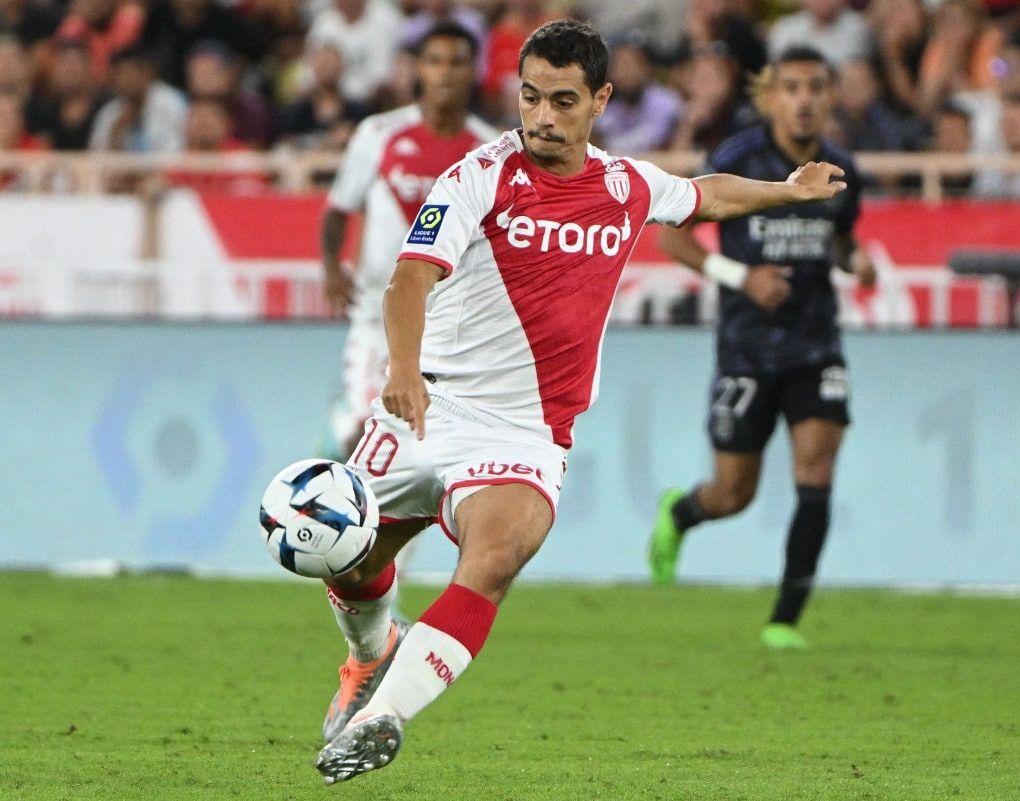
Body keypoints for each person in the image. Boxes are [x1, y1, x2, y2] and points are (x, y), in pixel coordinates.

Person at [305, 19, 849, 784]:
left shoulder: (624, 186)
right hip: (428, 403)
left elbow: (702, 197)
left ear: (601, 100)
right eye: (531, 98)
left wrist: (785, 191)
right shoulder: (477, 176)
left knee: (492, 559)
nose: (543, 118)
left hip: (526, 433)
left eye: (563, 101)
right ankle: (369, 657)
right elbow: (409, 279)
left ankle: (383, 716)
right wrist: (400, 368)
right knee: (348, 558)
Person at [645, 45, 873, 652]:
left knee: (816, 472)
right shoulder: (737, 160)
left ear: (829, 97)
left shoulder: (843, 168)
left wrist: (860, 261)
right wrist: (741, 277)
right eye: (792, 87)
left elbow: (842, 243)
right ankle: (682, 513)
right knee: (733, 494)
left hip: (815, 343)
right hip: (746, 348)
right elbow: (672, 241)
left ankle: (785, 618)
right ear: (771, 97)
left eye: (816, 87)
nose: (804, 99)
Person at [319, 21, 497, 463]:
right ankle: (341, 438)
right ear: (418, 68)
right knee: (361, 438)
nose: (446, 73)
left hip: (448, 325)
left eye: (457, 62)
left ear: (474, 70)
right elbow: (339, 209)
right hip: (376, 315)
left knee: (421, 446)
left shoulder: (489, 150)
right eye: (435, 61)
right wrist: (330, 268)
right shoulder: (378, 135)